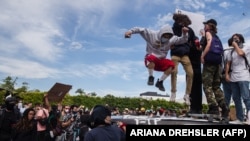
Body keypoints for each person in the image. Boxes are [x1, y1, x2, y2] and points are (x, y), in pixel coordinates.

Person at [124, 25, 189, 92]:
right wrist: (130, 31)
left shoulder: (172, 39)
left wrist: (184, 33)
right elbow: (140, 30)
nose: (166, 38)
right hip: (150, 60)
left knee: (171, 65)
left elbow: (183, 40)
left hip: (160, 61)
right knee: (151, 57)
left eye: (168, 37)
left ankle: (160, 82)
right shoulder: (152, 34)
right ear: (161, 33)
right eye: (165, 36)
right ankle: (151, 77)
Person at [200, 19, 229, 121]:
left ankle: (213, 108)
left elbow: (208, 44)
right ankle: (224, 107)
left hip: (210, 63)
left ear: (209, 26)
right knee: (216, 87)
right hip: (218, 63)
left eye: (206, 25)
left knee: (207, 85)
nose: (204, 26)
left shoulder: (208, 33)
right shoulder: (217, 37)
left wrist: (202, 56)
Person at [170, 12, 195, 105]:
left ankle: (187, 95)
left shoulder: (189, 30)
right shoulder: (174, 28)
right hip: (175, 54)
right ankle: (173, 92)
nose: (184, 25)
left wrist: (196, 41)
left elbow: (194, 38)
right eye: (182, 23)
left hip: (185, 55)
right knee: (173, 71)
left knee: (191, 73)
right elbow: (168, 37)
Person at [225, 33, 250, 124]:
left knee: (246, 97)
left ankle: (249, 117)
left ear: (241, 39)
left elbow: (240, 53)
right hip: (233, 77)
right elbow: (228, 63)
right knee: (236, 98)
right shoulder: (230, 52)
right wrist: (227, 74)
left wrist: (235, 46)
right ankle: (240, 118)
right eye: (233, 39)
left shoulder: (246, 47)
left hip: (243, 76)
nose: (235, 40)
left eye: (237, 38)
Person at [222, 37, 244, 123]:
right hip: (235, 75)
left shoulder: (223, 51)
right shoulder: (237, 50)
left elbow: (223, 64)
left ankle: (225, 117)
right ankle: (240, 118)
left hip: (225, 76)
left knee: (226, 98)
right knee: (237, 98)